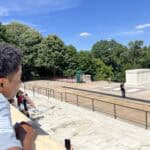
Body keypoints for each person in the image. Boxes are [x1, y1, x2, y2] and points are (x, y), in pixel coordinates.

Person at [0, 43, 36, 150]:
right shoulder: (1, 103)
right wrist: (27, 138)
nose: (20, 81)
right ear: (2, 82)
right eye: (19, 76)